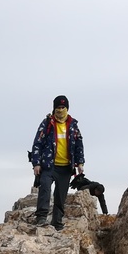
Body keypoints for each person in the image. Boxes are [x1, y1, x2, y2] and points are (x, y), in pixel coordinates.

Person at [30, 95, 84, 229]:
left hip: (66, 167)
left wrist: (80, 163)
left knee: (61, 195)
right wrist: (36, 163)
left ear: (67, 108)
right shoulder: (47, 123)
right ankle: (41, 217)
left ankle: (57, 221)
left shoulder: (73, 125)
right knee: (45, 189)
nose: (60, 110)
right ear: (54, 108)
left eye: (63, 107)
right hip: (48, 165)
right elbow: (38, 143)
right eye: (58, 107)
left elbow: (78, 144)